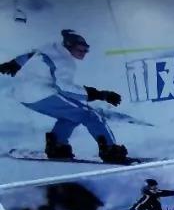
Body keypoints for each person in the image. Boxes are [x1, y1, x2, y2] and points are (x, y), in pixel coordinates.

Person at [0, 29, 130, 163]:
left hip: (24, 94)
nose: (83, 53)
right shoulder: (64, 61)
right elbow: (64, 88)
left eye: (86, 50)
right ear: (69, 46)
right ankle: (110, 150)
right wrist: (99, 94)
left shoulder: (51, 47)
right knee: (90, 115)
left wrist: (15, 63)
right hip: (40, 93)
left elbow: (30, 54)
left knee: (72, 115)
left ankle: (57, 146)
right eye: (80, 50)